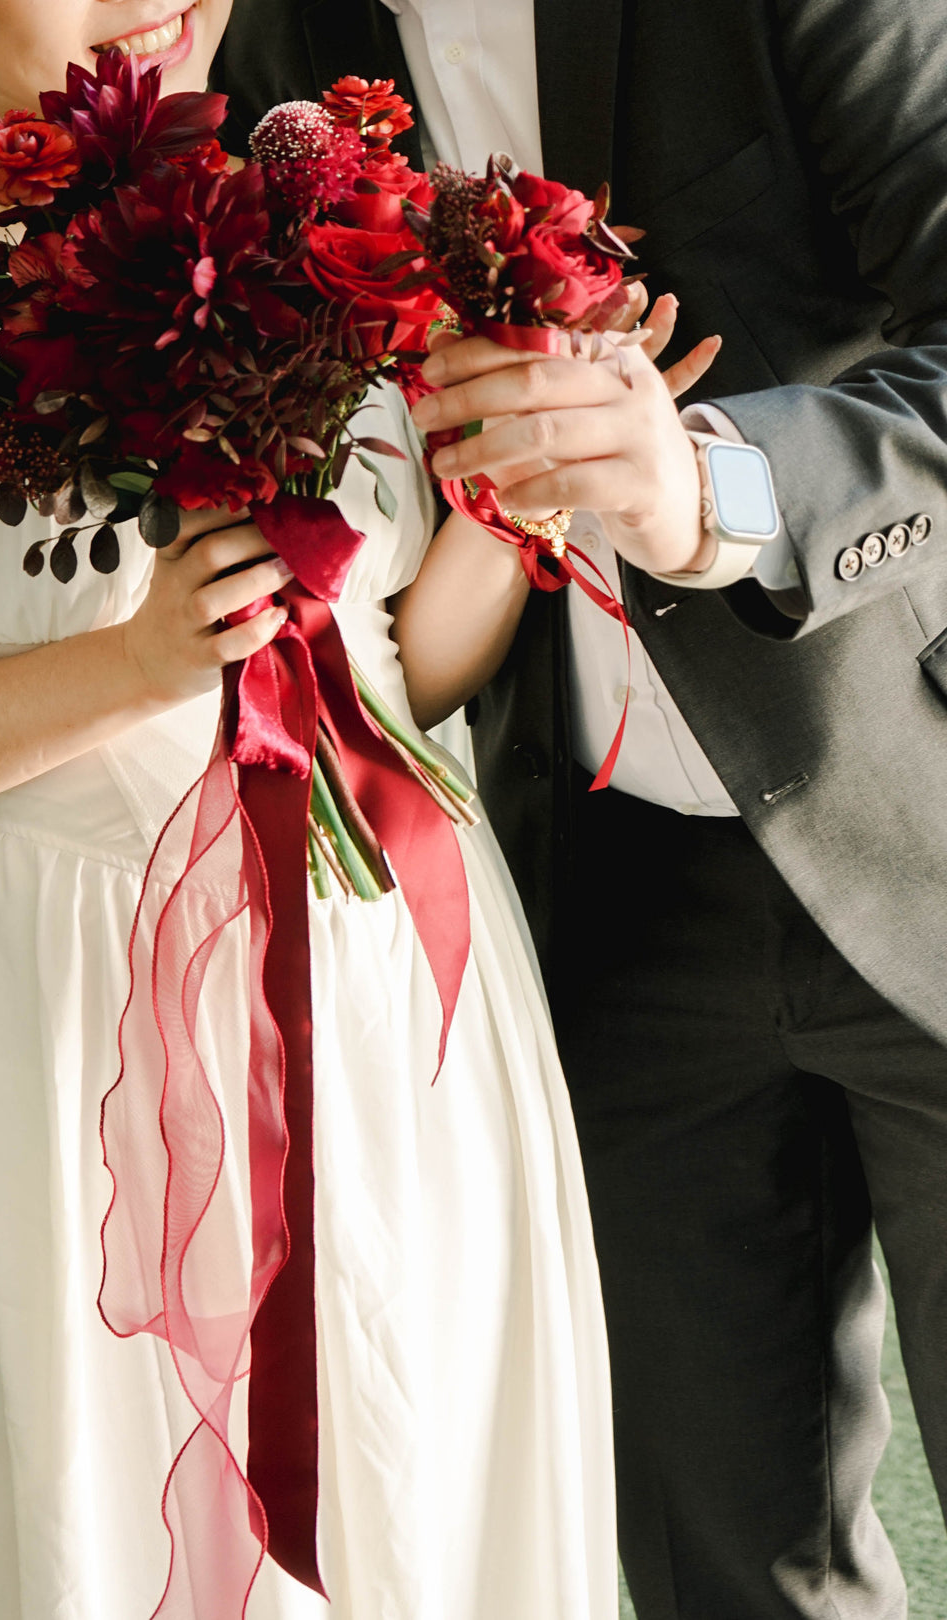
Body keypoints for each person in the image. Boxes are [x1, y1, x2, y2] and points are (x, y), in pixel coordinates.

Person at [0, 2, 692, 1614]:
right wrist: (139, 667)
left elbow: (401, 676)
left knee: (422, 1493)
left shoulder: (333, 219)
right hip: (65, 1029)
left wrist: (512, 490)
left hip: (398, 1000)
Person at [205, 4, 947, 1620]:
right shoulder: (286, 57)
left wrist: (708, 487)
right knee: (722, 1565)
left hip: (925, 802)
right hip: (601, 906)